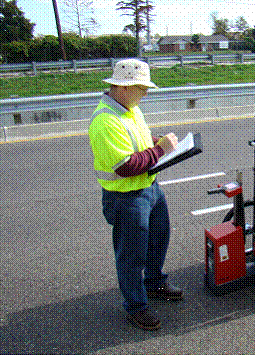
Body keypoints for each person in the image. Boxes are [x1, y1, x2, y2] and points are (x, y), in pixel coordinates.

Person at [89, 58, 183, 331]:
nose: (145, 94)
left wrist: (155, 143)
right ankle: (136, 307)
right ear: (125, 88)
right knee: (132, 255)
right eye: (142, 89)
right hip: (126, 198)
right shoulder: (106, 120)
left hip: (149, 188)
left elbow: (139, 142)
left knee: (158, 238)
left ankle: (154, 282)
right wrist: (161, 149)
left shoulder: (130, 109)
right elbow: (126, 166)